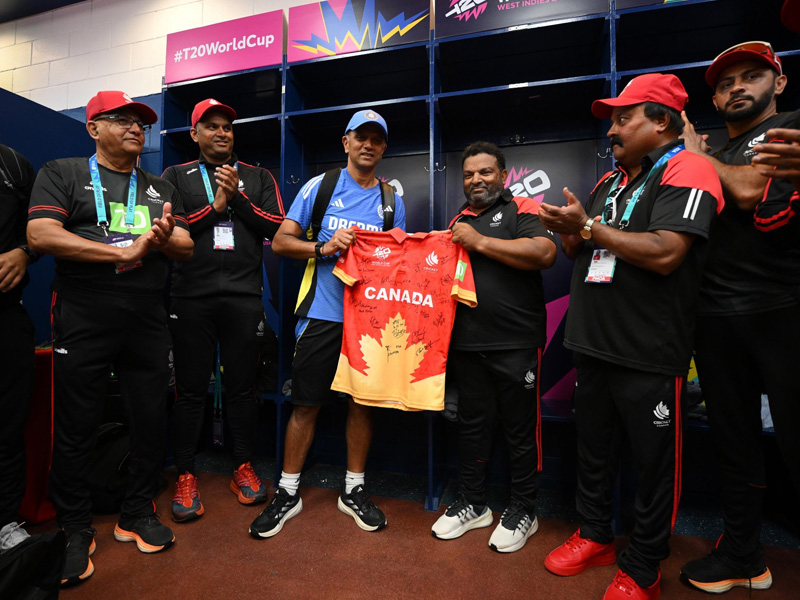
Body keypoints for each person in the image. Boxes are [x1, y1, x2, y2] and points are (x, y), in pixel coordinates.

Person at [538, 73, 723, 600]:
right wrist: (569, 229)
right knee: (593, 453)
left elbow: (667, 252)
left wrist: (590, 229)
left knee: (653, 466)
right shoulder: (609, 182)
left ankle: (644, 564)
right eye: (613, 120)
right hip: (591, 343)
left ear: (661, 121)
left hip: (648, 350)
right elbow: (582, 252)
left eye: (624, 118)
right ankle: (595, 534)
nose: (613, 130)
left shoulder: (689, 167)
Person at [26, 90, 193, 586]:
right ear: (92, 128)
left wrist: (163, 239)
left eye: (140, 122)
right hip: (84, 311)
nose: (135, 128)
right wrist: (120, 253)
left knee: (149, 416)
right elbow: (41, 236)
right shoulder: (63, 172)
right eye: (121, 120)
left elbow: (183, 243)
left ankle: (136, 511)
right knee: (77, 422)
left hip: (146, 314)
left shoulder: (159, 185)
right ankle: (75, 525)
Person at [249, 109, 406, 539]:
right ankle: (288, 491)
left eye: (377, 139)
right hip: (321, 314)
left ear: (384, 148)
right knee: (306, 404)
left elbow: (399, 261)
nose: (368, 145)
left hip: (369, 321)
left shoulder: (392, 198)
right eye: (361, 137)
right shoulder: (322, 187)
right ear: (346, 142)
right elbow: (281, 242)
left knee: (361, 404)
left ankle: (353, 490)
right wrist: (323, 247)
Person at [679, 41, 800, 594]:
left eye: (752, 77)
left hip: (783, 308)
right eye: (725, 83)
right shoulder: (720, 153)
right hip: (718, 315)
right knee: (735, 443)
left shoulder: (791, 129)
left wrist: (697, 158)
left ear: (778, 83)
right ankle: (743, 554)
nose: (736, 89)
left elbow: (753, 191)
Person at [161, 99, 285, 523]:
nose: (221, 133)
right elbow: (171, 231)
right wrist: (215, 205)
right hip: (190, 299)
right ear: (194, 134)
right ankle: (185, 474)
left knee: (242, 388)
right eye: (211, 126)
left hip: (243, 298)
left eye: (227, 128)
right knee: (190, 391)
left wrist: (239, 200)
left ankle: (243, 466)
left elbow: (278, 229)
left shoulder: (258, 176)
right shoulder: (175, 176)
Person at [430, 141, 556, 553]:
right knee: (473, 428)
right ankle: (473, 503)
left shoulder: (523, 208)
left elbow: (544, 252)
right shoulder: (459, 220)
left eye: (485, 172)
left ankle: (524, 509)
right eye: (468, 174)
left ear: (502, 174)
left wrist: (479, 241)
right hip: (468, 344)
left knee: (521, 432)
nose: (476, 180)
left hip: (516, 342)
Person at [0, 143, 37, 548]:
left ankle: (4, 522)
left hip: (6, 314)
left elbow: (38, 231)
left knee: (8, 427)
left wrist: (24, 252)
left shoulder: (12, 162)